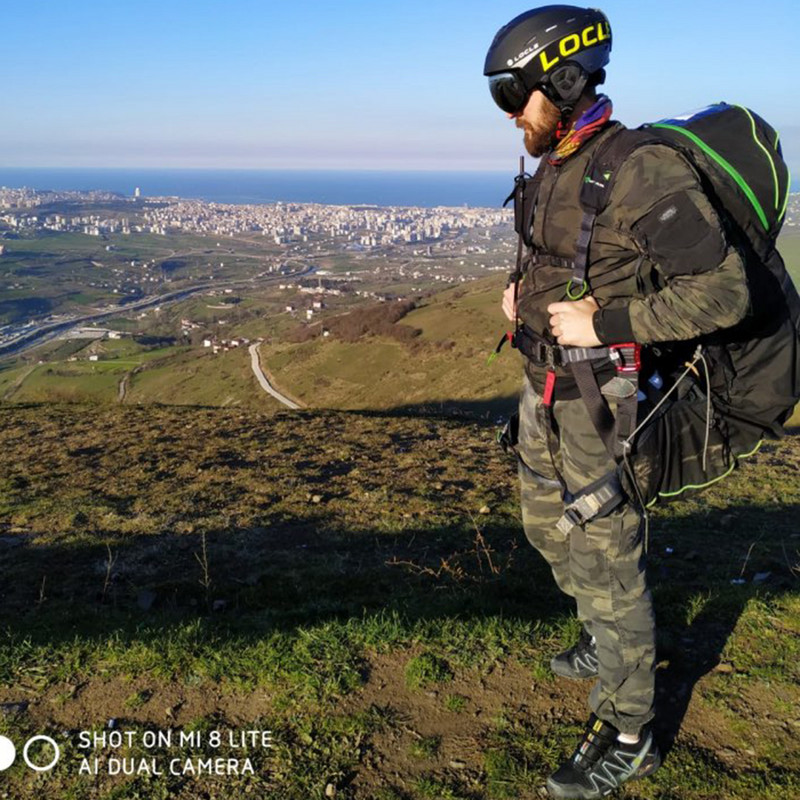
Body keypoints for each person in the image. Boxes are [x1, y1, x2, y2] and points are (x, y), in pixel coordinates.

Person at [484, 6, 751, 799]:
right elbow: (569, 259)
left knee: (607, 558)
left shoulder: (639, 170)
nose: (508, 114)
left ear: (565, 82)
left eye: (513, 95)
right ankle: (607, 639)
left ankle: (630, 731)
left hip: (607, 395)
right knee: (545, 527)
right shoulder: (558, 161)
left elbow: (725, 293)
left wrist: (607, 325)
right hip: (543, 382)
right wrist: (521, 297)